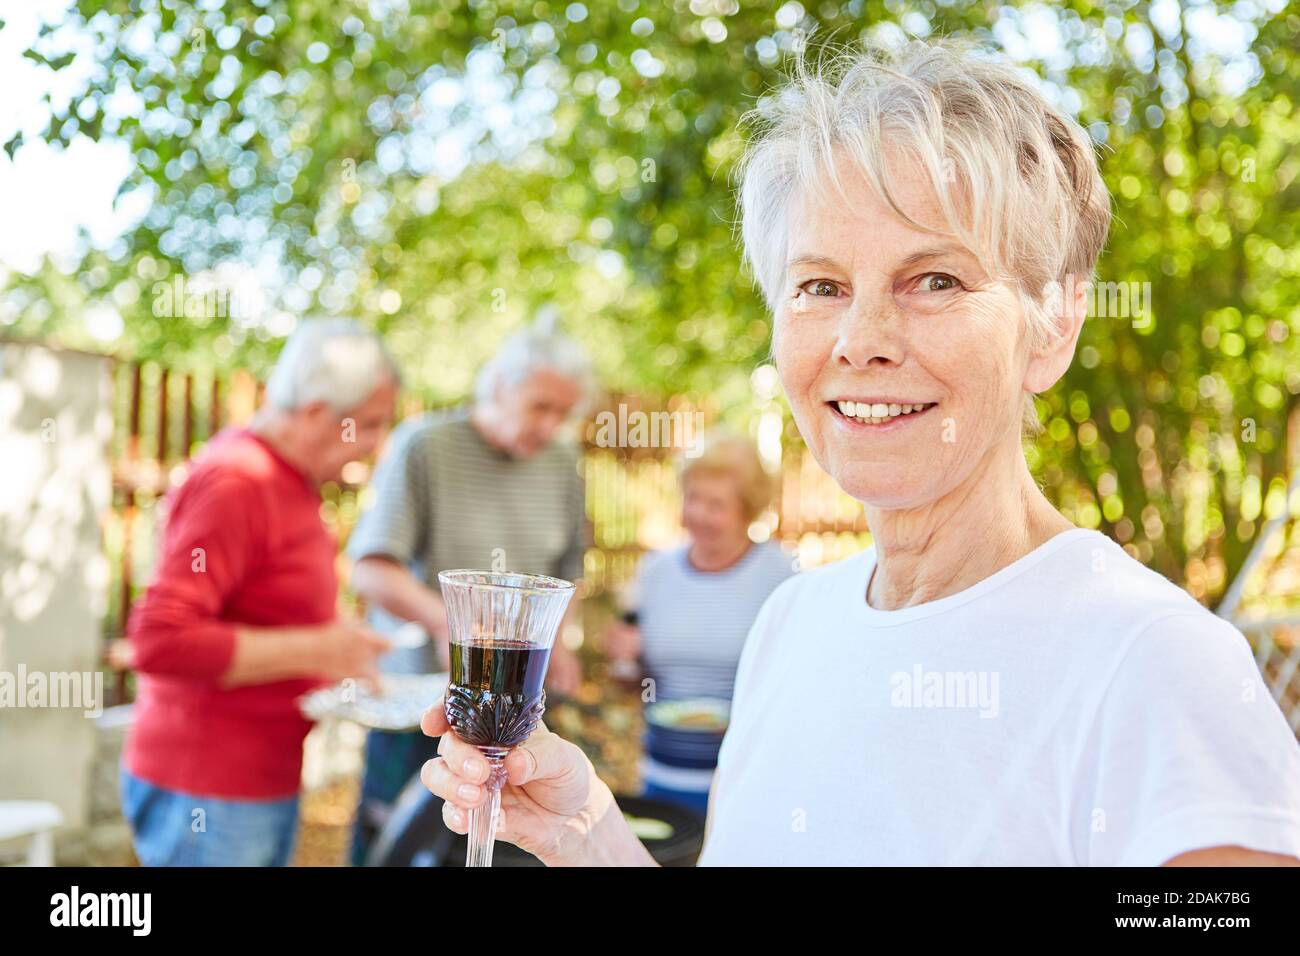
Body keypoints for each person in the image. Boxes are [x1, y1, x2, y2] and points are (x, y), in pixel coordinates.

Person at [419, 39, 1300, 866]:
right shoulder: (789, 626)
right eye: (821, 285)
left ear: (1054, 325)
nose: (862, 338)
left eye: (936, 280)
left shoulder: (1158, 665)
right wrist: (587, 834)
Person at [120, 318, 398, 866]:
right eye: (366, 425)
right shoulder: (239, 481)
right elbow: (160, 640)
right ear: (318, 412)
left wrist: (338, 647)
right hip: (209, 786)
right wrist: (320, 649)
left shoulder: (291, 479)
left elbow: (268, 612)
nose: (373, 445)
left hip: (260, 777)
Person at [345, 322, 594, 864]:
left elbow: (568, 573)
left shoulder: (561, 467)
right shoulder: (425, 446)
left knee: (496, 846)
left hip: (515, 703)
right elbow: (369, 568)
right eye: (540, 407)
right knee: (395, 848)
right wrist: (447, 623)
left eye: (563, 413)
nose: (551, 426)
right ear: (500, 385)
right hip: (423, 700)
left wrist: (561, 644)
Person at [604, 436, 794, 814]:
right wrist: (626, 662)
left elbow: (794, 680)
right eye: (692, 498)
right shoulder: (655, 571)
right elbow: (635, 684)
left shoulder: (778, 574)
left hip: (748, 777)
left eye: (716, 504)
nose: (698, 514)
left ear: (747, 511)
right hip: (662, 773)